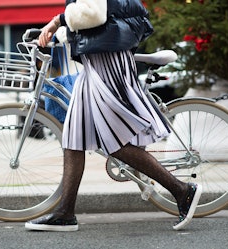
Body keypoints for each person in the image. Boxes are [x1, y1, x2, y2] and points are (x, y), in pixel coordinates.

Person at [25, 0, 202, 232]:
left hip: (106, 63)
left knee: (113, 139)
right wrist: (59, 31)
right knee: (74, 137)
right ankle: (65, 212)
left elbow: (94, 14)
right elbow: (97, 15)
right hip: (96, 61)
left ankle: (182, 191)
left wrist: (59, 19)